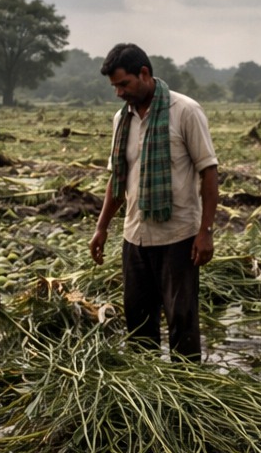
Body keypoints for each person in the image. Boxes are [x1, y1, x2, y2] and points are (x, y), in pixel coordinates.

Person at [89, 43, 219, 360]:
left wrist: (206, 232)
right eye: (115, 87)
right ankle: (146, 390)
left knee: (181, 321)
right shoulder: (122, 120)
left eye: (124, 84)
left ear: (144, 73)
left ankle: (186, 390)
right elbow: (117, 179)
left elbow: (209, 172)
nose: (119, 93)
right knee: (138, 322)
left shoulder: (185, 111)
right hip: (135, 237)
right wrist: (102, 227)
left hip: (178, 237)